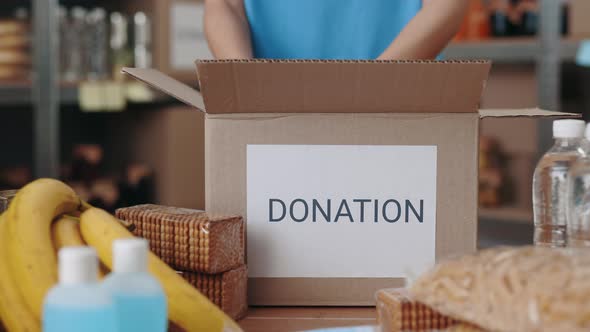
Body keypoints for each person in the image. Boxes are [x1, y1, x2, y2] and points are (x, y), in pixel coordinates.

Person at [204, 0, 468, 60]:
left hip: (400, 98)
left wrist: (377, 84)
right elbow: (224, 5)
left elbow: (447, 5)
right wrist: (241, 87)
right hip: (268, 105)